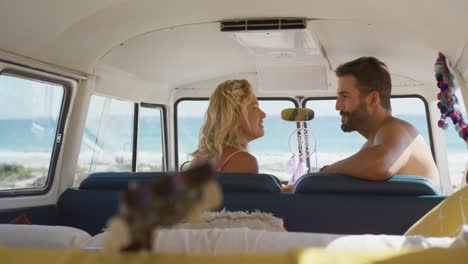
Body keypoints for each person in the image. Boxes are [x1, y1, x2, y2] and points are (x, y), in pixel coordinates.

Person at [320, 57, 440, 184]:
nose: (337, 106)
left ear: (372, 99)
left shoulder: (397, 129)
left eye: (345, 96)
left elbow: (382, 164)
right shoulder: (372, 145)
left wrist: (326, 171)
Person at [190, 79, 266, 173]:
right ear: (234, 115)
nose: (263, 114)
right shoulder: (243, 161)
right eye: (255, 108)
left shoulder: (198, 159)